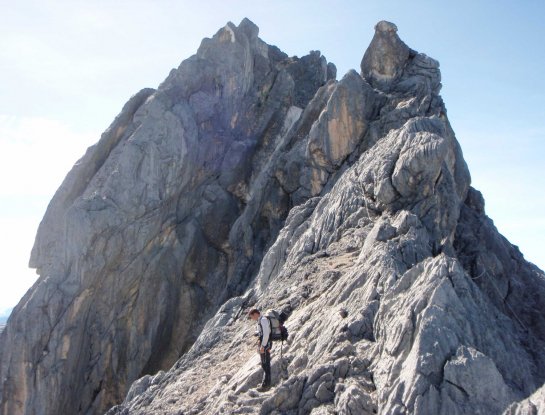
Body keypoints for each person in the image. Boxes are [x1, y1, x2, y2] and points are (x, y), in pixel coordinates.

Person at [248, 308, 272, 390]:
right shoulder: (260, 320)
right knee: (264, 363)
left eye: (252, 316)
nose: (252, 319)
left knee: (266, 363)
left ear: (255, 314)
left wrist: (263, 346)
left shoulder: (263, 320)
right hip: (264, 343)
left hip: (265, 344)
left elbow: (266, 334)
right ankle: (266, 383)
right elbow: (262, 332)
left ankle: (266, 385)